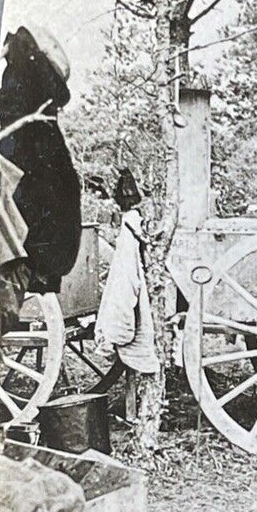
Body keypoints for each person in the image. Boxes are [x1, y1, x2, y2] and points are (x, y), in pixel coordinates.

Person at [93, 169, 161, 447]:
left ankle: (137, 412)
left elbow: (124, 281)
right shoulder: (134, 224)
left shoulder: (130, 227)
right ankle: (135, 410)